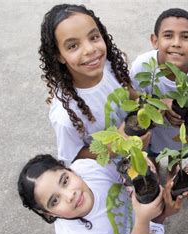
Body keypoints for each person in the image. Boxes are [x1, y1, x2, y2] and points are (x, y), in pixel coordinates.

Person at [17, 154, 165, 234]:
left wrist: (142, 164)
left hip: (132, 217)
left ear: (71, 170)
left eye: (65, 181)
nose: (70, 195)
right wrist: (143, 219)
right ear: (49, 213)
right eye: (54, 201)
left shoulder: (89, 167)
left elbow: (123, 175)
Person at [39, 4, 134, 165]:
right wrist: (113, 149)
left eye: (94, 37)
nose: (90, 49)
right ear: (59, 56)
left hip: (137, 145)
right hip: (110, 169)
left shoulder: (111, 66)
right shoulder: (65, 116)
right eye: (73, 46)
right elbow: (74, 157)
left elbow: (131, 93)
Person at [130, 8, 188, 164]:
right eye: (168, 36)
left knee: (177, 165)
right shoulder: (143, 67)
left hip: (186, 140)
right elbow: (132, 97)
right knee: (154, 159)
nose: (176, 43)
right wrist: (159, 103)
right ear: (155, 40)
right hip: (155, 135)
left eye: (185, 37)